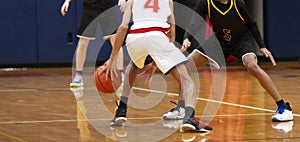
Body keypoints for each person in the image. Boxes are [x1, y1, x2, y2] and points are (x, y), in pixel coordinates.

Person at [159, 0, 293, 122]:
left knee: (252, 66)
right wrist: (187, 38)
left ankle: (283, 107)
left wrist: (262, 46)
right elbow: (195, 23)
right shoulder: (206, 3)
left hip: (240, 41)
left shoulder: (237, 3)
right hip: (218, 42)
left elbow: (252, 23)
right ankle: (181, 108)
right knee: (184, 68)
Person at [103, 0, 213, 132]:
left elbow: (123, 28)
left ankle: (121, 110)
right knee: (186, 79)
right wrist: (159, 55)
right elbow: (170, 36)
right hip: (157, 35)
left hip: (134, 37)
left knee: (133, 64)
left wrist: (112, 59)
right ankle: (189, 117)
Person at [60, 0, 126, 87]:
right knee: (83, 41)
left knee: (115, 40)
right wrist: (67, 1)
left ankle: (121, 73)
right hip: (90, 8)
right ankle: (78, 75)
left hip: (107, 7)